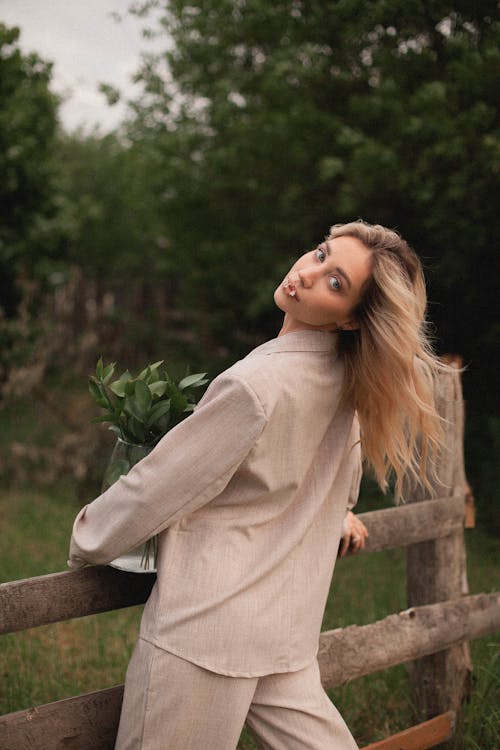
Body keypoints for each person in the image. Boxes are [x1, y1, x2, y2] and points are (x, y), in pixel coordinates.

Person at [68, 220, 444, 750]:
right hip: (283, 632)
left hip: (204, 632)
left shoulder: (255, 384)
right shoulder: (352, 387)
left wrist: (87, 537)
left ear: (354, 318)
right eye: (320, 254)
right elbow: (336, 478)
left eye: (336, 283)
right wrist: (340, 512)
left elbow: (159, 486)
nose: (308, 274)